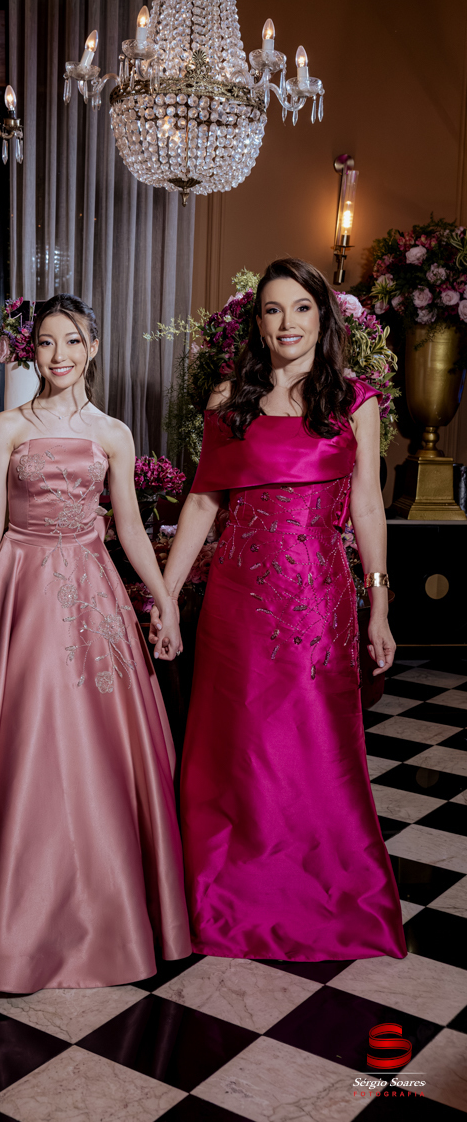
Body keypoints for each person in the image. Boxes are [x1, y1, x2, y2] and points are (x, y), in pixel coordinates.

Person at [0, 295, 191, 991]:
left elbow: (129, 527)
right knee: (16, 733)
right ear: (33, 352)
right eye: (48, 342)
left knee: (96, 744)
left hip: (91, 588)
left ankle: (104, 909)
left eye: (73, 341)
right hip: (19, 587)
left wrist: (164, 600)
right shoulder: (8, 425)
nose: (60, 355)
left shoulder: (114, 433)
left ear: (93, 348)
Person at [152, 259, 406, 962]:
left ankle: (316, 893)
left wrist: (379, 606)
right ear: (257, 322)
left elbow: (368, 508)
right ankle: (227, 893)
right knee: (236, 749)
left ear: (323, 317)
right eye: (272, 309)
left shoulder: (354, 401)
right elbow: (203, 502)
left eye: (300, 307)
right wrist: (166, 598)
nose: (287, 322)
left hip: (319, 604)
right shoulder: (228, 399)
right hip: (235, 601)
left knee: (312, 750)